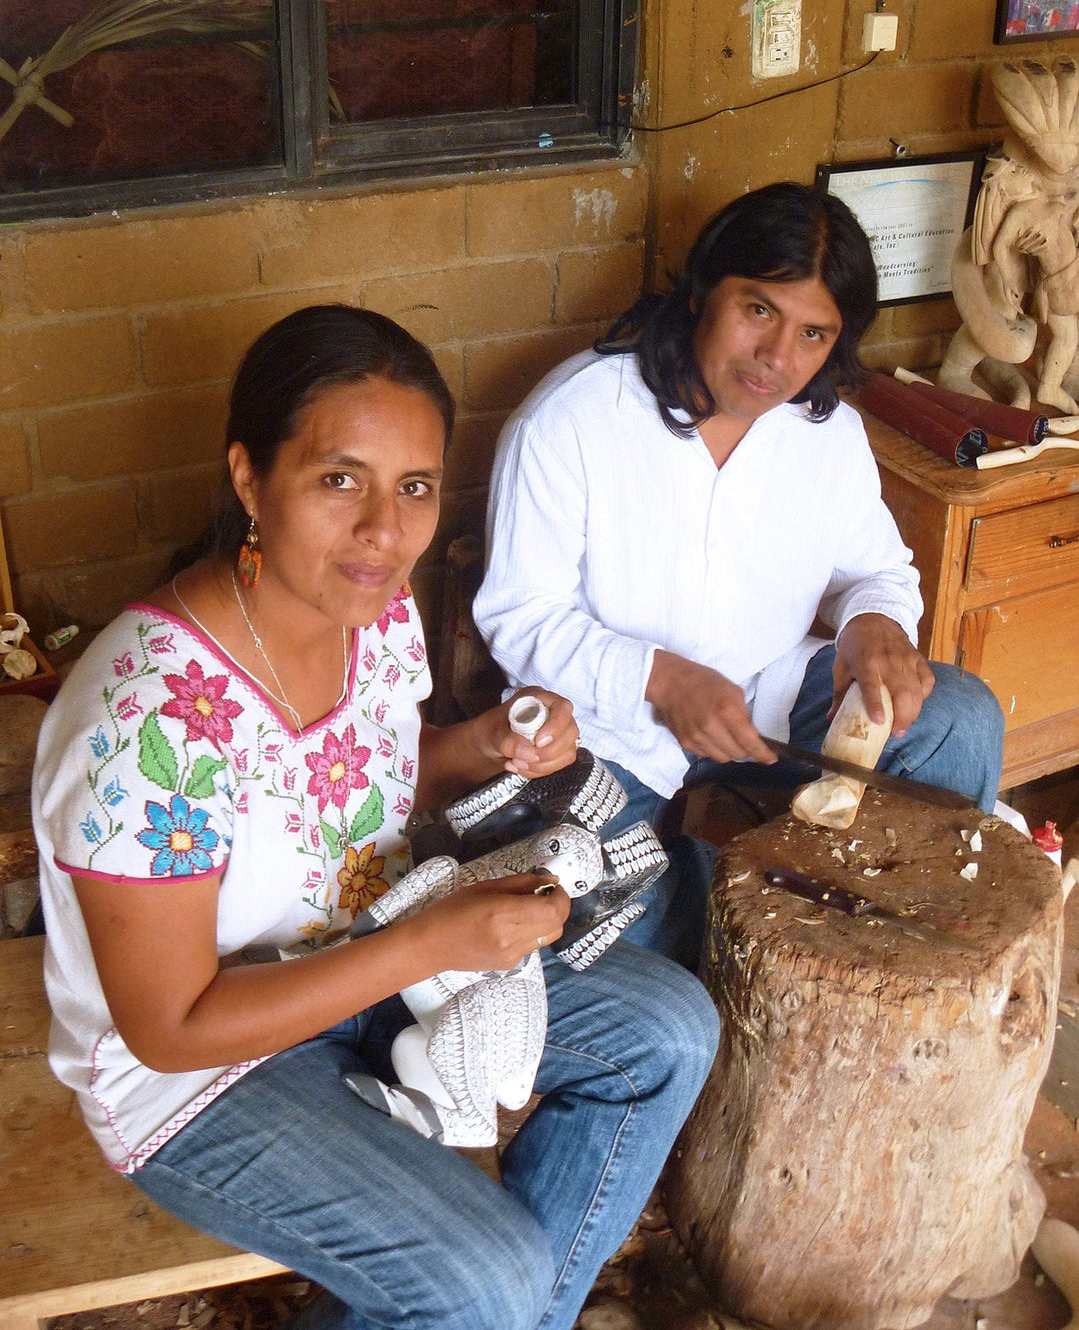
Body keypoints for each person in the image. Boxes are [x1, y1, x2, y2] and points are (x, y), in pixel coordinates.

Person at [32, 305, 719, 1330]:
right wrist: (429, 944)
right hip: (200, 1077)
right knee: (488, 1280)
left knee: (667, 1032)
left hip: (368, 954)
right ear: (248, 478)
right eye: (338, 479)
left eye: (414, 489)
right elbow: (170, 1029)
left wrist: (487, 745)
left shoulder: (373, 612)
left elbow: (379, 783)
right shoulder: (147, 725)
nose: (383, 532)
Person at [474, 182, 1006, 963]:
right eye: (759, 309)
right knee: (637, 924)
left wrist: (877, 622)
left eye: (814, 333)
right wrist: (659, 678)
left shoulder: (827, 436)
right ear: (701, 292)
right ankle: (753, 908)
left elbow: (879, 568)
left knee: (960, 720)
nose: (778, 359)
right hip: (605, 727)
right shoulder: (572, 420)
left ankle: (914, 950)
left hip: (767, 696)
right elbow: (520, 618)